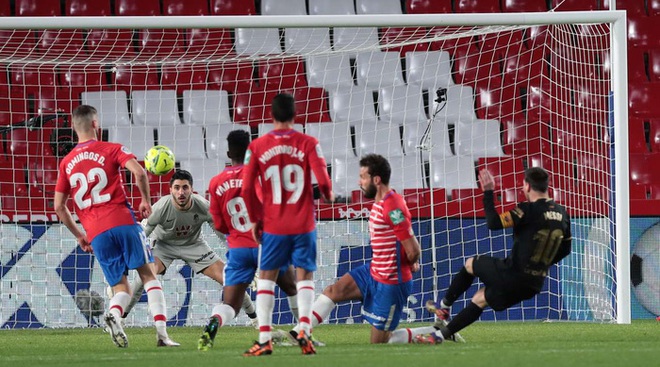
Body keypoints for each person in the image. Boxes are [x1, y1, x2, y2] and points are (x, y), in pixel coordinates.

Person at [53, 104, 178, 348]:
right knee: (149, 275)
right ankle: (162, 335)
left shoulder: (66, 163)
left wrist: (80, 235)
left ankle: (114, 314)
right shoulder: (111, 149)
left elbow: (59, 206)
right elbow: (139, 172)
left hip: (96, 233)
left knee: (120, 287)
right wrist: (145, 200)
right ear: (95, 124)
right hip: (122, 221)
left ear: (74, 127)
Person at [291, 154, 440, 344]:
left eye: (363, 177)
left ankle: (436, 331)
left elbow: (413, 248)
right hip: (373, 271)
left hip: (391, 281)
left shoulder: (393, 207)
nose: (359, 182)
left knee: (380, 343)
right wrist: (410, 258)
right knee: (333, 291)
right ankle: (299, 333)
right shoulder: (380, 202)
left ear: (376, 180)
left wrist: (411, 261)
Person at [421, 167, 572, 344]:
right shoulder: (562, 214)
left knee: (471, 264)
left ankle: (444, 307)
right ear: (547, 187)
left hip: (513, 273)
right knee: (480, 299)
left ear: (527, 186)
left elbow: (493, 223)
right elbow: (565, 249)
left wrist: (488, 192)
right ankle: (439, 336)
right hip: (534, 284)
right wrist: (540, 264)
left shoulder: (526, 210)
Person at [241, 93, 334, 356]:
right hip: (304, 223)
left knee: (267, 279)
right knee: (304, 276)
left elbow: (247, 188)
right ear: (295, 116)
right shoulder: (308, 142)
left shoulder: (256, 147)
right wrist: (327, 195)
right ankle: (304, 329)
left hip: (273, 225)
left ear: (271, 116)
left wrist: (255, 220)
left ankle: (264, 339)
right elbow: (324, 182)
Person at [198, 129, 299, 351]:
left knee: (231, 305)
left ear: (228, 153)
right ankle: (301, 335)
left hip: (238, 249)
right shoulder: (261, 174)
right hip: (266, 245)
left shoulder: (216, 183)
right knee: (292, 287)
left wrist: (234, 232)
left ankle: (215, 321)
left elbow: (219, 224)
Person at [119, 169, 259, 328]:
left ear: (192, 189)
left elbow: (222, 235)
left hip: (194, 245)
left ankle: (255, 319)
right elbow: (141, 237)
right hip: (164, 246)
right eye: (177, 188)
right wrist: (124, 268)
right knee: (144, 277)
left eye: (185, 187)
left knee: (230, 279)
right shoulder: (160, 208)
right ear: (170, 189)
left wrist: (242, 260)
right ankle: (121, 318)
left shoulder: (204, 206)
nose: (181, 192)